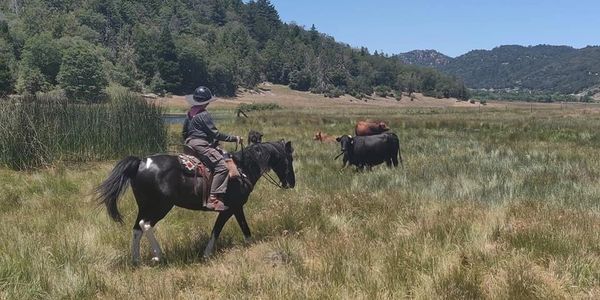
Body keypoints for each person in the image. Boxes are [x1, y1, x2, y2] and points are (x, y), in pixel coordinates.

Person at [182, 86, 242, 211]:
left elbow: (184, 132)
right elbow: (216, 134)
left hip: (189, 144)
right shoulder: (204, 114)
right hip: (200, 145)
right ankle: (213, 198)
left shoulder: (190, 113)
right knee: (222, 167)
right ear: (206, 102)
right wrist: (234, 138)